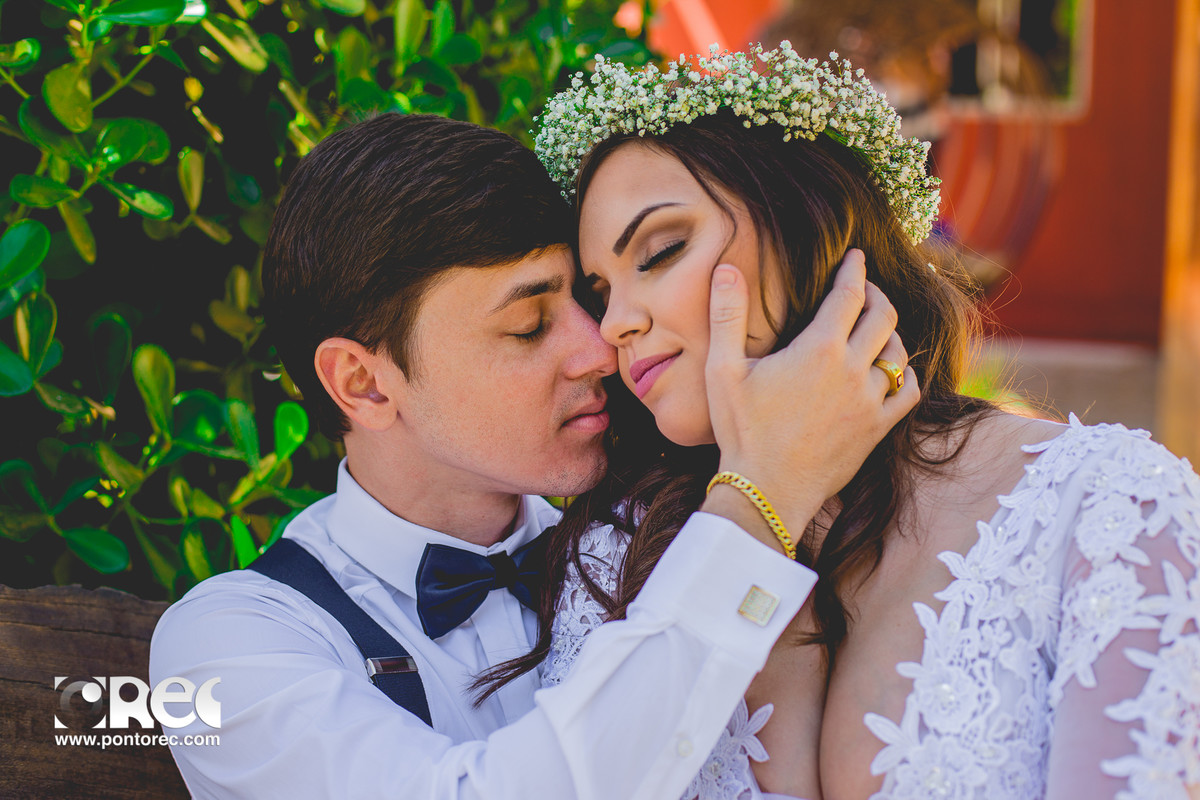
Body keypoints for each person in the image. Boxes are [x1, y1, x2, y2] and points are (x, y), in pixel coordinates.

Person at [499, 44, 1200, 800]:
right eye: (600, 292)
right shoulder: (611, 564)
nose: (614, 327)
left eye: (662, 250)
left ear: (810, 224)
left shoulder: (1108, 508)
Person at [148, 112, 917, 799]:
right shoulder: (226, 647)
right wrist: (763, 492)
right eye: (527, 326)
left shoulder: (656, 528)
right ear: (365, 384)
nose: (599, 350)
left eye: (586, 301)